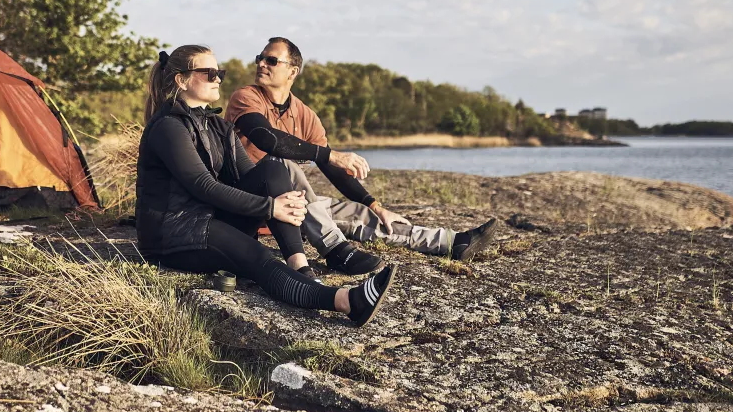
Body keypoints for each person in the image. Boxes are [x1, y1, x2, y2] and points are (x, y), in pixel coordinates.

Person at [135, 45, 395, 327]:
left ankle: (300, 266)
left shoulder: (216, 125)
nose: (219, 78)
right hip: (174, 233)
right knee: (256, 257)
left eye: (219, 72)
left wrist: (284, 202)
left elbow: (257, 176)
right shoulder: (169, 126)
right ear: (182, 80)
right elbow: (203, 186)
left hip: (209, 219)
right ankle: (348, 301)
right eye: (210, 73)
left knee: (274, 167)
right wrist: (271, 208)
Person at [224, 37, 498, 277]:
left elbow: (332, 170)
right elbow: (268, 139)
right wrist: (331, 155)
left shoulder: (304, 114)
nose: (262, 64)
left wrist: (375, 204)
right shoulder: (245, 97)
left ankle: (451, 242)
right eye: (260, 58)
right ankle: (334, 248)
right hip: (249, 202)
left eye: (271, 60)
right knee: (281, 165)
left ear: (292, 71)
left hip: (293, 209)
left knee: (363, 215)